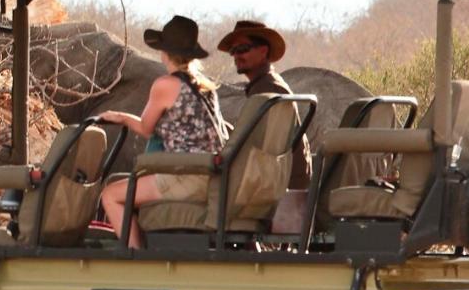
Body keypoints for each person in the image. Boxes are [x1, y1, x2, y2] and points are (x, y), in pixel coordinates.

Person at [98, 16, 229, 248]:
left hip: (185, 176)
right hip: (210, 176)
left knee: (110, 195)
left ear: (164, 53)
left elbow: (146, 129)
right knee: (126, 185)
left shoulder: (166, 85)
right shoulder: (205, 88)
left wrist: (121, 118)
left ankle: (135, 257)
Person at [218, 19, 310, 190]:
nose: (236, 56)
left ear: (263, 51)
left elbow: (256, 148)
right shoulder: (267, 84)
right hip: (282, 180)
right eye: (233, 51)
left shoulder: (267, 90)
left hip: (278, 185)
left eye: (242, 49)